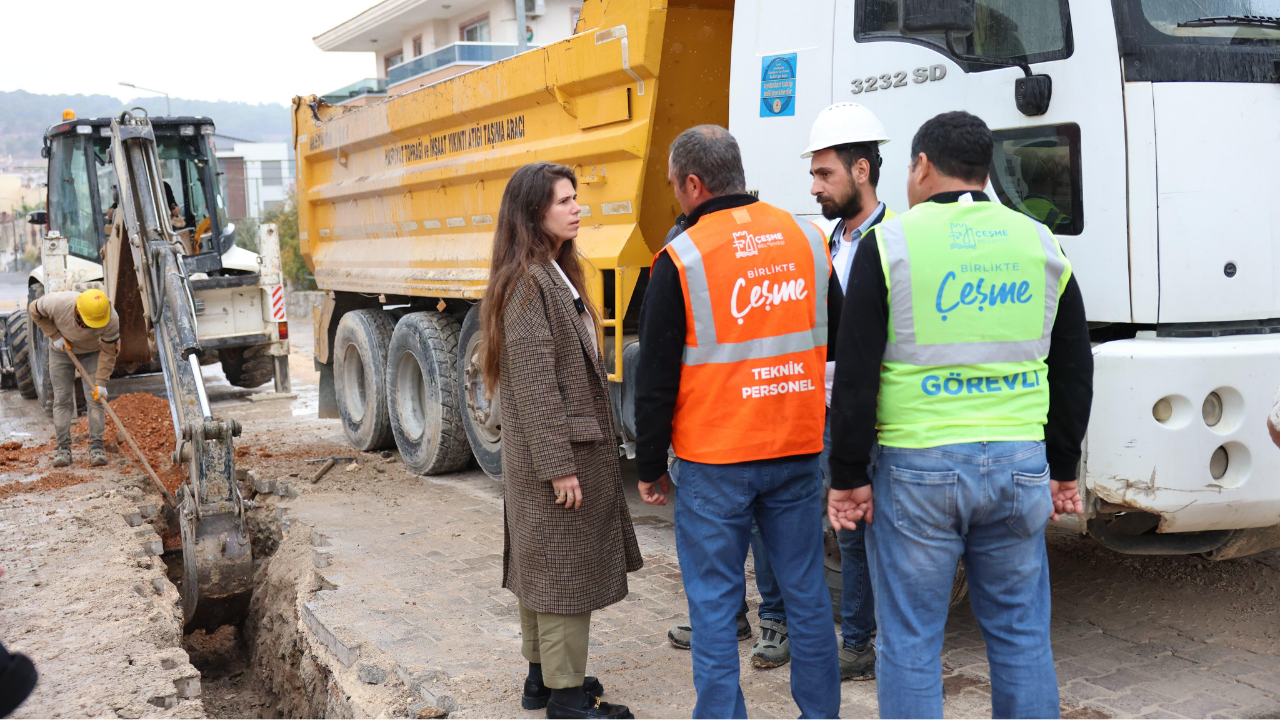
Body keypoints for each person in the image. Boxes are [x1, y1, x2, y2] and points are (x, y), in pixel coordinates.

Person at [827, 111, 1093, 719]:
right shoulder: (1039, 241)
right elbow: (1075, 365)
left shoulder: (889, 244)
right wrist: (1062, 465)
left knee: (912, 642)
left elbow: (856, 373)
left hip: (919, 469)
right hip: (1019, 464)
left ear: (921, 166)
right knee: (1022, 636)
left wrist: (846, 475)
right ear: (985, 169)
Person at [635, 125, 839, 719]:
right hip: (797, 448)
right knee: (804, 591)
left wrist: (649, 464)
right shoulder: (807, 236)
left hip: (715, 459)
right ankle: (821, 713)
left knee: (715, 603)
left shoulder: (682, 257)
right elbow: (838, 344)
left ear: (693, 184)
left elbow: (655, 379)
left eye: (675, 186)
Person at [480, 161, 642, 720]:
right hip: (555, 461)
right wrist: (559, 467)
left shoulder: (550, 271)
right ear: (533, 213)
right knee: (563, 576)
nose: (577, 208)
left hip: (552, 457)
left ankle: (541, 680)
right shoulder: (529, 283)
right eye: (564, 201)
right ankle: (568, 700)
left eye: (576, 198)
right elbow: (533, 384)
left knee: (541, 569)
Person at [803, 102, 894, 681]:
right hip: (831, 410)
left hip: (883, 412)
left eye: (824, 174)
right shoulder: (826, 241)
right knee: (849, 531)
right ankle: (857, 640)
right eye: (813, 174)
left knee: (891, 534)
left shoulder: (897, 242)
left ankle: (892, 642)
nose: (814, 187)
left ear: (861, 171)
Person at [28, 288, 119, 468]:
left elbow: (109, 351)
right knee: (62, 399)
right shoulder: (58, 303)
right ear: (78, 312)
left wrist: (101, 382)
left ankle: (96, 448)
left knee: (95, 400)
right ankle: (63, 449)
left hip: (93, 353)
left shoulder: (110, 317)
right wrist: (54, 335)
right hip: (61, 351)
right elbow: (34, 310)